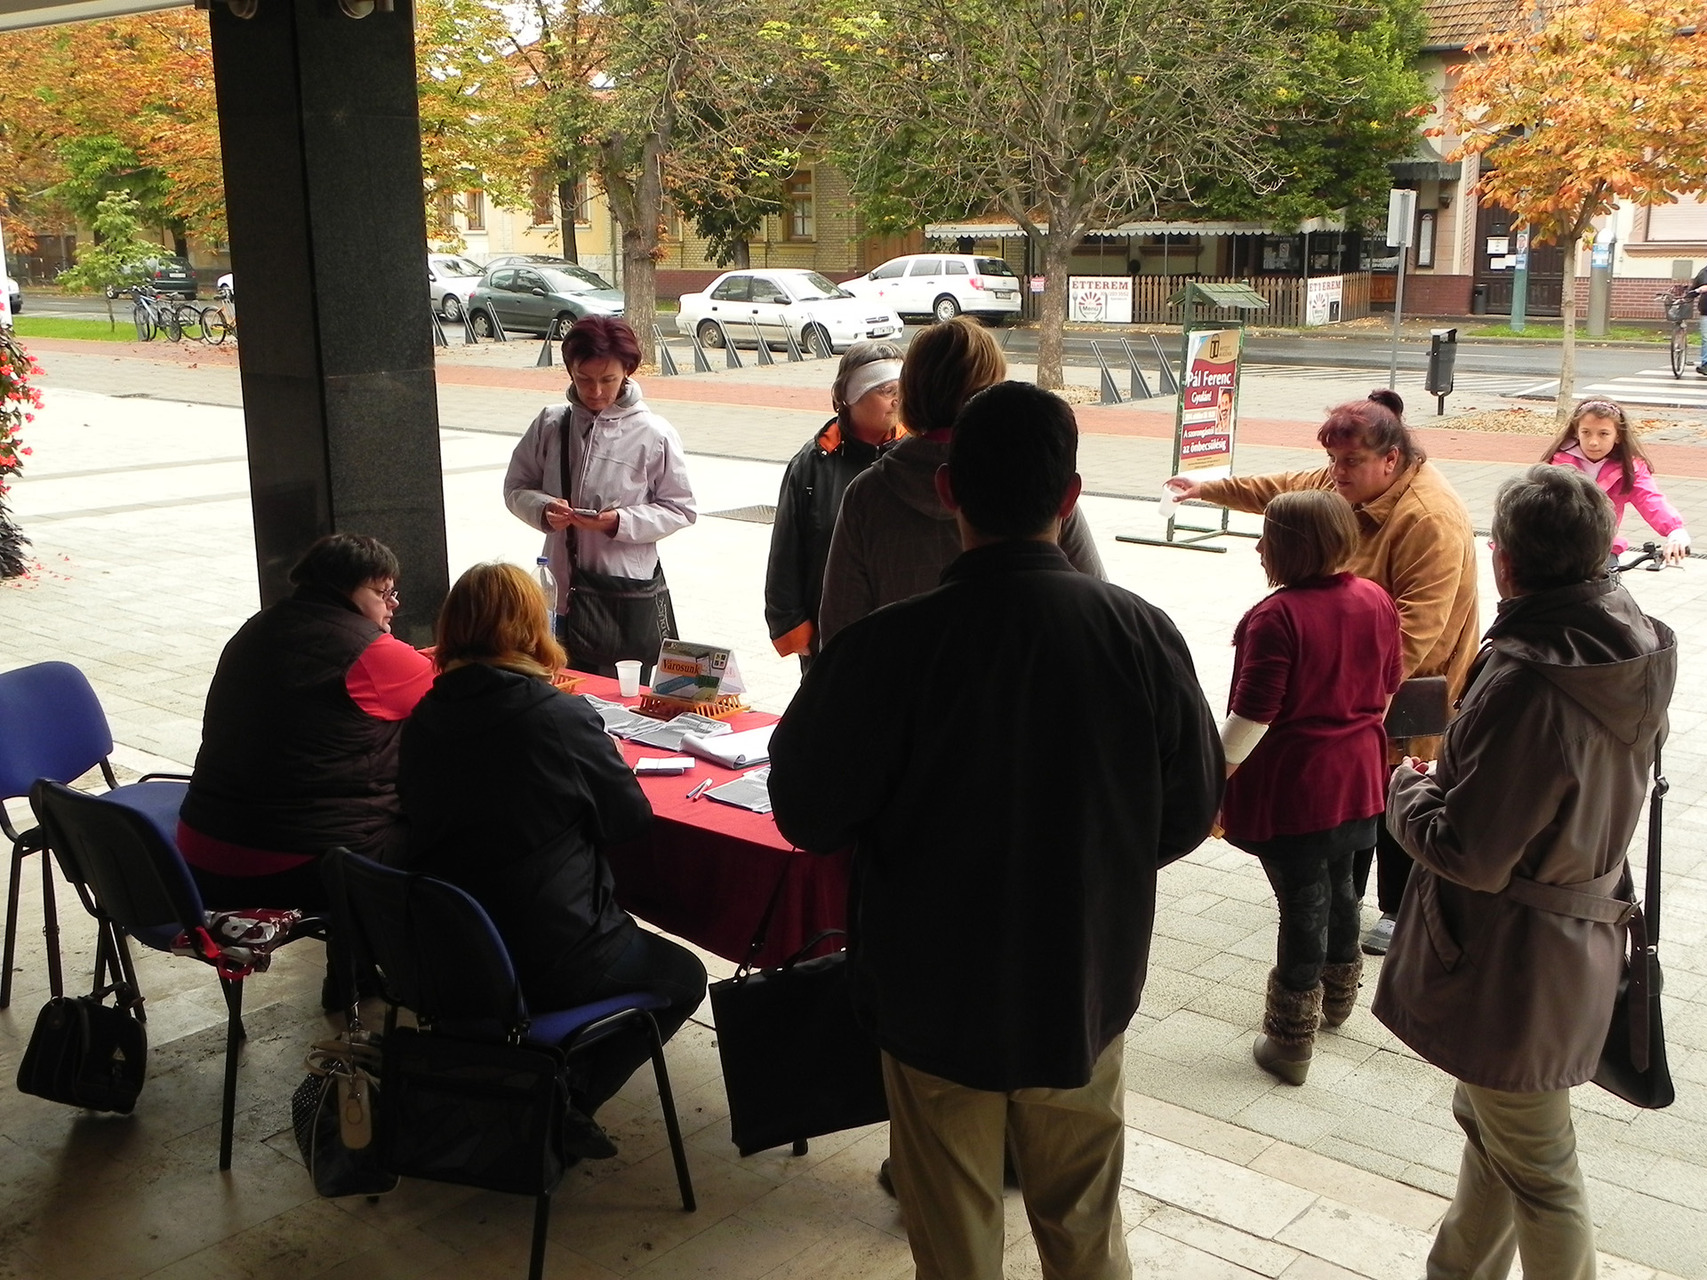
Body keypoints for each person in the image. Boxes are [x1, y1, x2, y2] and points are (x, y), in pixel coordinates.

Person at [770, 382, 1222, 1280]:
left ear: (947, 490)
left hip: (931, 998)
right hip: (1081, 986)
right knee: (1085, 1231)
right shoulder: (1140, 634)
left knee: (954, 1244)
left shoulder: (883, 649)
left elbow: (808, 813)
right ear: (1070, 497)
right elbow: (1187, 810)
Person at [1373, 465, 1675, 1280]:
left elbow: (1469, 852)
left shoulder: (1526, 678)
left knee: (1539, 1168)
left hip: (1513, 958)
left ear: (1503, 560)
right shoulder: (1629, 640)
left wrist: (1405, 783)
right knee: (1494, 1131)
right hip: (1572, 939)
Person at [398, 561, 706, 1147]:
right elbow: (628, 821)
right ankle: (565, 1099)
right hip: (549, 953)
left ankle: (543, 1086)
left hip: (446, 950)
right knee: (685, 975)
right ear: (530, 629)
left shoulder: (424, 716)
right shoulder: (556, 716)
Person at [1167, 389, 1477, 956]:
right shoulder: (1345, 481)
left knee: (1399, 783)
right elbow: (1281, 489)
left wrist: (1359, 697)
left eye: (1349, 461)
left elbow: (1418, 627)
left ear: (1391, 458)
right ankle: (1343, 925)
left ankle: (1397, 907)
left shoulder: (1429, 518)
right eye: (1333, 460)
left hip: (1404, 679)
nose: (1336, 473)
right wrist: (1207, 488)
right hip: (1350, 676)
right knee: (1356, 809)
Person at [1219, 490, 1402, 1085]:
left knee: (1302, 902)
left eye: (1267, 537)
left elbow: (1254, 716)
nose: (1258, 547)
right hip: (1359, 776)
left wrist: (1210, 778)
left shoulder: (1277, 616)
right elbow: (1389, 686)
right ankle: (1339, 999)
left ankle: (1289, 1040)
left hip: (1298, 785)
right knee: (1343, 887)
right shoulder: (1375, 598)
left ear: (1290, 548)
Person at [179, 533, 435, 905]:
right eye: (383, 593)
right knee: (455, 832)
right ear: (345, 588)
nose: (393, 604)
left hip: (199, 849)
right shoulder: (369, 653)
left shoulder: (257, 626)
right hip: (295, 864)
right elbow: (456, 687)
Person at [816, 316, 1104, 647]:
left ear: (912, 391)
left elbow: (839, 631)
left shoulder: (868, 495)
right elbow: (1095, 598)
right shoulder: (1031, 474)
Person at [503, 315, 696, 680]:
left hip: (622, 592)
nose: (595, 391)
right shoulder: (551, 424)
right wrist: (543, 509)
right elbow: (515, 486)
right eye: (584, 379)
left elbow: (681, 508)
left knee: (619, 693)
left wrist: (619, 522)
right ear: (570, 372)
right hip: (559, 588)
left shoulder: (653, 433)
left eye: (607, 380)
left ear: (627, 372)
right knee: (558, 686)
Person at [764, 341, 903, 670]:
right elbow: (786, 552)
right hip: (830, 639)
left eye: (902, 389)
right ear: (850, 396)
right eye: (886, 391)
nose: (898, 400)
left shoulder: (914, 457)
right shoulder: (812, 464)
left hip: (901, 637)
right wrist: (795, 630)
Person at [1541, 398, 1689, 564]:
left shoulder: (1630, 469)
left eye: (1603, 434)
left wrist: (1675, 532)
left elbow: (1649, 498)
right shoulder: (1556, 465)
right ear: (1576, 432)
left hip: (1603, 550)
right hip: (1556, 548)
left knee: (1609, 578)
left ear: (1618, 436)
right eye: (1586, 432)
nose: (1593, 442)